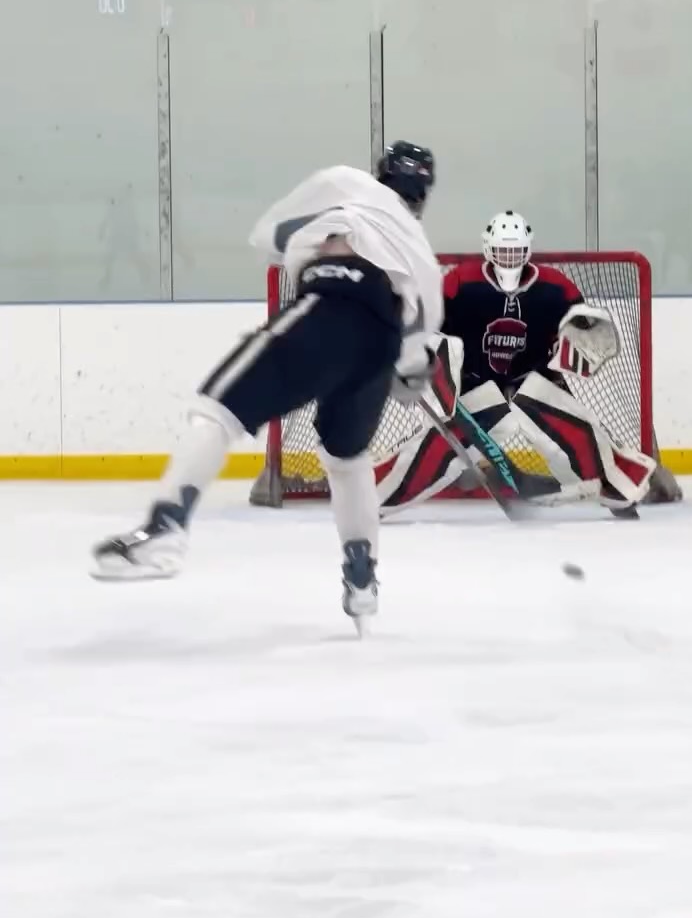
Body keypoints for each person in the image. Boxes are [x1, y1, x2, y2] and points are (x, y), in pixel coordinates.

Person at [91, 142, 443, 626]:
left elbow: (270, 235)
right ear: (424, 193)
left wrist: (317, 244)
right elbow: (414, 351)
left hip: (333, 302)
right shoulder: (422, 256)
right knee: (346, 459)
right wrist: (409, 371)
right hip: (380, 345)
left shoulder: (350, 188)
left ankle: (165, 527)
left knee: (217, 406)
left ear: (381, 175)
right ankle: (362, 578)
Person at [376, 210, 657, 514]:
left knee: (576, 430)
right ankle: (377, 492)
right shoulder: (461, 282)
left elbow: (582, 329)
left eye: (515, 250)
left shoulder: (555, 287)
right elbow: (429, 325)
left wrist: (583, 335)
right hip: (475, 381)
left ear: (528, 249)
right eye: (502, 250)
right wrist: (415, 351)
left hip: (533, 379)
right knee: (440, 442)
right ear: (488, 248)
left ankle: (614, 485)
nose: (509, 258)